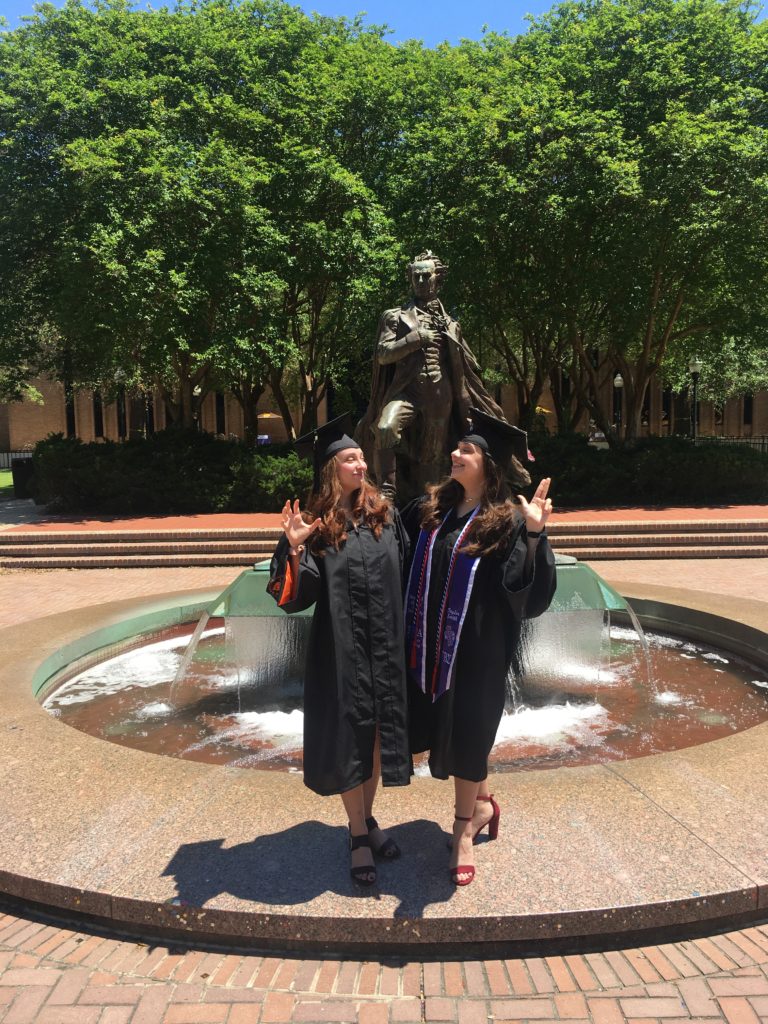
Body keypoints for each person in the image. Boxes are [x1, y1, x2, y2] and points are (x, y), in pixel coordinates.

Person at [401, 409, 557, 886]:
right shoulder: (431, 511)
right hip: (429, 647)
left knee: (468, 736)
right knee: (452, 731)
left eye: (466, 450)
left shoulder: (508, 520)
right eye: (458, 448)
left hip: (478, 652)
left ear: (488, 464)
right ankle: (484, 804)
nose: (455, 453)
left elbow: (526, 593)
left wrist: (534, 535)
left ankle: (462, 830)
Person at [267, 414, 411, 886]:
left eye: (362, 457)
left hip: (385, 648)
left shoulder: (384, 518)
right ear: (333, 469)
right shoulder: (317, 527)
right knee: (351, 738)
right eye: (351, 459)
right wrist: (292, 549)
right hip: (341, 651)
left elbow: (408, 575)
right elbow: (297, 597)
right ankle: (357, 834)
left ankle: (366, 817)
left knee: (376, 739)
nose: (361, 465)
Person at [357, 250, 506, 504]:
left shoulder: (451, 324)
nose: (421, 281)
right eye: (416, 276)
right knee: (385, 427)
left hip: (440, 393)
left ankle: (428, 500)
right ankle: (387, 489)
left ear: (438, 278)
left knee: (432, 452)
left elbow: (463, 368)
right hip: (407, 390)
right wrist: (415, 338)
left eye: (426, 276)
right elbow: (383, 354)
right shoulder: (394, 317)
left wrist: (466, 402)